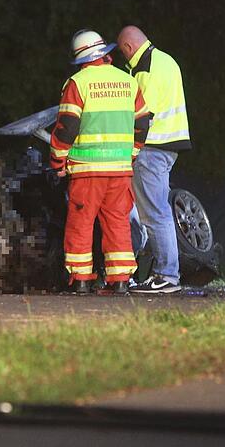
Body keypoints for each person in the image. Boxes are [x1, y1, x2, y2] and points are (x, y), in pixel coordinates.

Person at [50, 29, 150, 294]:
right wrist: (132, 153)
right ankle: (120, 282)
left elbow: (66, 128)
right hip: (119, 171)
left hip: (87, 171)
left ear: (81, 59)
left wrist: (57, 162)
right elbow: (142, 122)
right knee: (117, 223)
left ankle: (81, 280)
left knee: (81, 224)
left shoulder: (78, 83)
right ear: (104, 54)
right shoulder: (128, 82)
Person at [118, 26, 191, 294]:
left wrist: (130, 148)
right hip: (169, 145)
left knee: (154, 213)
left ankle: (166, 275)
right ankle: (160, 273)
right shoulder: (165, 59)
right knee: (155, 210)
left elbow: (141, 116)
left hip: (152, 147)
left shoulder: (145, 69)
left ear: (127, 48)